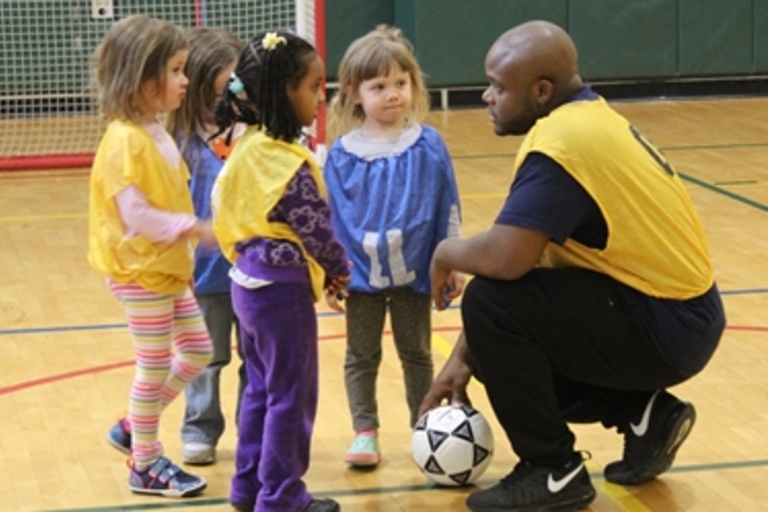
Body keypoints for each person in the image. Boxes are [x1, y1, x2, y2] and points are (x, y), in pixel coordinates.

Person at [419, 20, 726, 512]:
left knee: (493, 304)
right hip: (678, 316)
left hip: (664, 324)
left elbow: (504, 260)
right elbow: (528, 260)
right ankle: (645, 413)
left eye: (498, 87)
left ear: (541, 92)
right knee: (509, 326)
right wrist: (463, 359)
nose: (486, 97)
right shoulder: (588, 120)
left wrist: (442, 252)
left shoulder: (562, 145)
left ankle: (552, 471)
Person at [211, 30, 350, 512]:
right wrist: (340, 271)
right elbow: (317, 229)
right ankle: (283, 497)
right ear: (284, 91)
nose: (321, 98)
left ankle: (247, 488)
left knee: (260, 390)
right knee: (292, 397)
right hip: (281, 293)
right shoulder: (285, 160)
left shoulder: (246, 147)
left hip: (245, 284)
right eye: (314, 88)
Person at [324, 25, 463, 468]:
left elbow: (449, 205)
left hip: (415, 273)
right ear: (353, 92)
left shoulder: (428, 145)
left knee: (417, 354)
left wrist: (452, 261)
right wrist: (330, 272)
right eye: (379, 86)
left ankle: (425, 429)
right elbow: (329, 223)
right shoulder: (341, 154)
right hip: (360, 279)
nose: (392, 94)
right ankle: (365, 431)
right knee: (361, 355)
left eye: (400, 83)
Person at [88, 15, 214, 497]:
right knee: (155, 364)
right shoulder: (124, 140)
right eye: (178, 70)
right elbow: (137, 214)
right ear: (144, 80)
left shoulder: (154, 130)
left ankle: (131, 427)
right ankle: (146, 462)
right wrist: (194, 228)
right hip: (139, 273)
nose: (186, 80)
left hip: (165, 271)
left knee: (199, 349)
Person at [166, 26, 248, 466]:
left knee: (257, 361)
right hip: (204, 276)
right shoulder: (179, 144)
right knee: (204, 358)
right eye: (214, 93)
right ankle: (200, 427)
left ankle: (252, 430)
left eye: (230, 91)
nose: (224, 103)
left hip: (253, 272)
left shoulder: (252, 136)